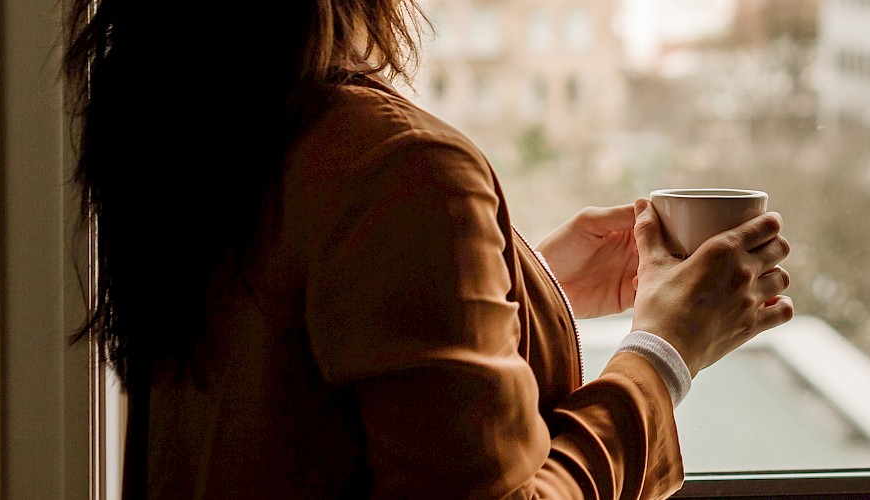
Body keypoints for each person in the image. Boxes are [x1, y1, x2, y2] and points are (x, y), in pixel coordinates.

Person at [61, 1, 792, 498]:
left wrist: (529, 287)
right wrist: (665, 352)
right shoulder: (397, 168)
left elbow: (301, 390)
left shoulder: (197, 128)